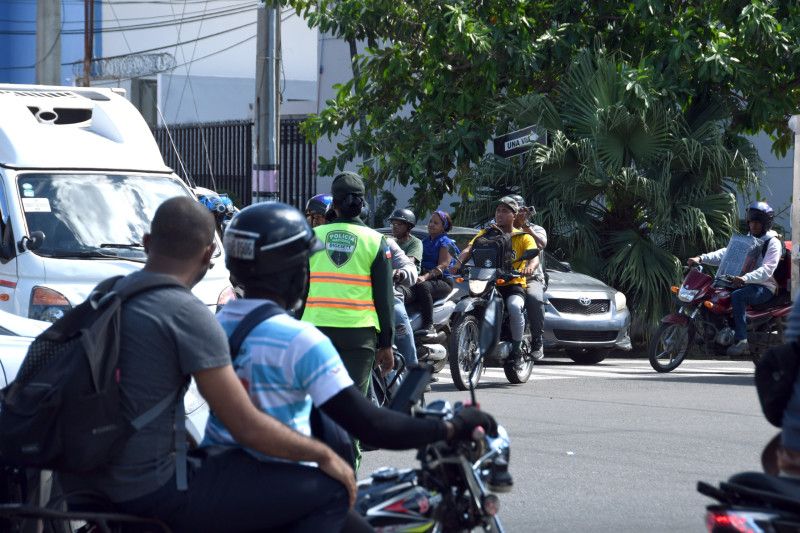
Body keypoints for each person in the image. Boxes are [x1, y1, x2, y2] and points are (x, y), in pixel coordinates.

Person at [59, 196, 356, 533]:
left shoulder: (110, 293)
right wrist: (324, 456)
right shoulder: (187, 313)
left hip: (80, 482)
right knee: (328, 491)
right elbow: (245, 426)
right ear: (207, 256)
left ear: (146, 244)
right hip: (148, 490)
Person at [204, 202, 497, 530]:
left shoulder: (215, 323)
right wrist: (451, 428)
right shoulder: (297, 341)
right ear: (286, 268)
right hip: (280, 490)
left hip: (218, 482)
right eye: (304, 261)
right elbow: (369, 424)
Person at [688, 201, 782, 357]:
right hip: (739, 282)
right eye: (751, 222)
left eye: (758, 222)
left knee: (738, 296)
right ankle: (712, 333)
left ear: (766, 223)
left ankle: (742, 340)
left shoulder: (773, 243)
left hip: (763, 287)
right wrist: (701, 258)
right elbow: (726, 254)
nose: (753, 226)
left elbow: (767, 270)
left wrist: (745, 278)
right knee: (711, 293)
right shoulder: (747, 239)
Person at [452, 196, 538, 362]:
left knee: (513, 307)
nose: (500, 214)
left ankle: (516, 348)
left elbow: (533, 257)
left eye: (505, 211)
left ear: (514, 215)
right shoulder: (486, 234)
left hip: (512, 284)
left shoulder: (523, 237)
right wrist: (458, 263)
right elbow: (469, 248)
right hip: (486, 282)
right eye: (498, 210)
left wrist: (529, 267)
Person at [406, 210, 458, 338]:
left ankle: (429, 325)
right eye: (430, 221)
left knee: (422, 287)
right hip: (424, 278)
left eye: (436, 223)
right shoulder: (424, 242)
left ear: (443, 227)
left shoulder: (446, 242)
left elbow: (443, 265)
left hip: (443, 281)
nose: (431, 225)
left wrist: (424, 277)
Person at [510, 194, 547, 362]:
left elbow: (540, 245)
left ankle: (537, 342)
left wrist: (525, 226)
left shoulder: (535, 229)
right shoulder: (500, 228)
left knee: (534, 298)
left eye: (516, 210)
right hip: (504, 276)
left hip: (530, 277)